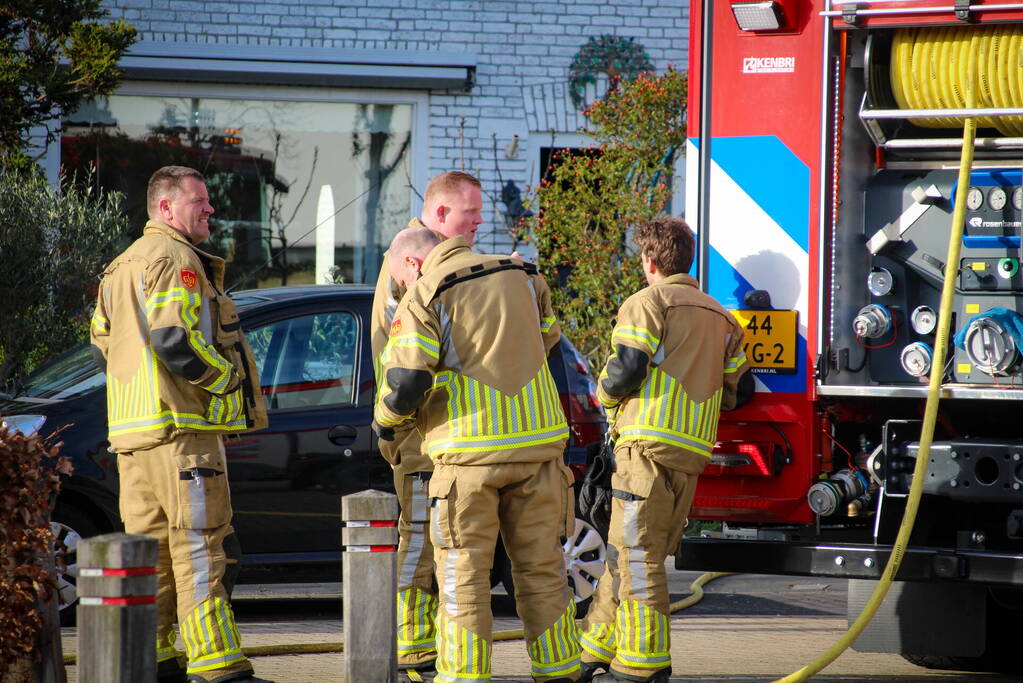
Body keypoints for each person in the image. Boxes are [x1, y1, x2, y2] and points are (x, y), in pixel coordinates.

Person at [374, 225, 582, 683]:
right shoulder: (525, 274)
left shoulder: (427, 292)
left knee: (462, 575)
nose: (403, 288)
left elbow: (407, 382)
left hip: (468, 458)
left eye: (400, 278)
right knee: (543, 569)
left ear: (412, 263)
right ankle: (560, 671)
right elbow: (548, 343)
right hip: (539, 451)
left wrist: (385, 423)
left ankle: (465, 676)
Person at [90, 166, 271, 683]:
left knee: (153, 557)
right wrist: (228, 380)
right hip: (181, 436)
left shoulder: (119, 265)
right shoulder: (175, 259)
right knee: (203, 548)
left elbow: (103, 341)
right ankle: (219, 667)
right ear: (166, 208)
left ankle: (160, 659)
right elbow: (176, 342)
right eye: (200, 201)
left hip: (133, 439)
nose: (210, 209)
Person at [579, 217, 752, 683]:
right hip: (690, 457)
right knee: (627, 553)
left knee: (637, 558)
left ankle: (643, 663)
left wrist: (605, 396)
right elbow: (741, 388)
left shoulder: (647, 301)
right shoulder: (722, 317)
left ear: (650, 261)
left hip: (645, 451)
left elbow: (626, 369)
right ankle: (596, 649)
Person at [370, 171, 484, 681]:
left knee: (438, 548)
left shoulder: (432, 266)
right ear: (440, 217)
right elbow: (411, 372)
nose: (479, 222)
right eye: (470, 213)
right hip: (421, 440)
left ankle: (426, 648)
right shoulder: (415, 271)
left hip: (437, 439)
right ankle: (415, 651)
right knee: (419, 546)